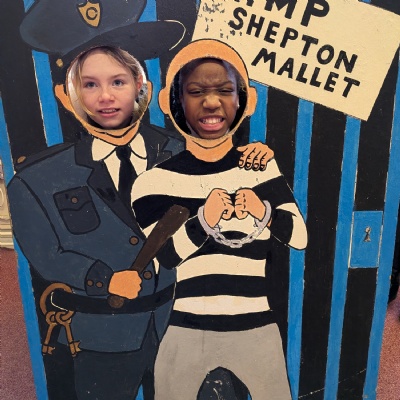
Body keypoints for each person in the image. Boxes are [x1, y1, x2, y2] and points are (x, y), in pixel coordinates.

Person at [8, 43, 274, 400]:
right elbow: (48, 254)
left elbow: (227, 187)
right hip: (103, 335)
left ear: (142, 88)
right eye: (89, 84)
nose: (105, 96)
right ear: (66, 97)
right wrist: (102, 278)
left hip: (187, 325)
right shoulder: (38, 178)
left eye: (118, 82)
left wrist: (251, 159)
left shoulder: (186, 153)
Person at [131, 39, 308, 400]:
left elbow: (299, 237)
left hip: (257, 327)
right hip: (187, 326)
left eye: (225, 90)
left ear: (246, 101)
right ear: (170, 102)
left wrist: (263, 211)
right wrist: (203, 221)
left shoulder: (260, 167)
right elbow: (166, 256)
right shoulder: (153, 182)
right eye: (196, 91)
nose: (211, 103)